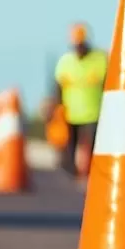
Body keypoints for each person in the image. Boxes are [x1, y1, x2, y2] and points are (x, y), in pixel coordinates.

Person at [42, 23, 108, 178]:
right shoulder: (66, 62)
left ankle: (92, 174)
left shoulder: (100, 59)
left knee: (93, 146)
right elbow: (57, 86)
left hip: (94, 112)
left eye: (81, 45)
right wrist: (54, 109)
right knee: (69, 147)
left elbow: (109, 83)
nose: (79, 48)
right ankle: (71, 172)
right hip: (70, 113)